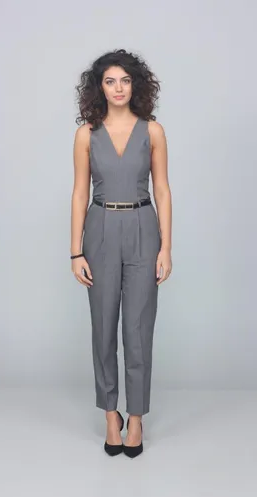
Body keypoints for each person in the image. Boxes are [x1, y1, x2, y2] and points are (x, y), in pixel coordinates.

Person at [70, 49, 172, 458]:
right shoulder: (86, 134)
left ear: (135, 85)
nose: (118, 88)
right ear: (99, 87)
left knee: (138, 329)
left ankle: (136, 417)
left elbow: (162, 189)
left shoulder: (153, 131)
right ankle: (111, 414)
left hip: (143, 226)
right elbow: (80, 192)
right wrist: (75, 252)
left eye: (125, 81)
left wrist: (166, 247)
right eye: (110, 81)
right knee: (103, 327)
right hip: (100, 229)